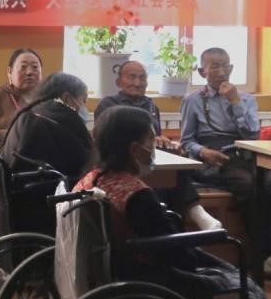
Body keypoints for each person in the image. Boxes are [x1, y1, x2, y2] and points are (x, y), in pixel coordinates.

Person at [74, 105, 271, 299]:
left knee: (226, 274)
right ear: (134, 149)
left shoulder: (90, 180)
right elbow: (179, 257)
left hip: (109, 279)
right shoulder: (136, 195)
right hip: (150, 288)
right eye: (151, 141)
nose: (153, 148)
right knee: (247, 294)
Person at [179, 47, 271, 282]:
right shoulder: (192, 100)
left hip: (247, 153)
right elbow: (187, 141)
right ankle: (259, 255)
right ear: (202, 72)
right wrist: (203, 151)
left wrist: (234, 102)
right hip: (216, 157)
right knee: (247, 185)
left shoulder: (245, 99)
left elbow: (252, 133)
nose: (222, 72)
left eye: (226, 66)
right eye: (215, 66)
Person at [95, 59, 222, 232]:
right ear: (119, 82)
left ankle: (187, 220)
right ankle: (185, 220)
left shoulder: (151, 106)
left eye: (142, 78)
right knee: (168, 185)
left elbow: (155, 139)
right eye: (131, 77)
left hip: (151, 160)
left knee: (178, 170)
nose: (137, 83)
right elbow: (110, 141)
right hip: (123, 163)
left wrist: (166, 143)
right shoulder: (108, 105)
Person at [0, 72, 93, 234]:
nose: (84, 107)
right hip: (48, 207)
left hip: (15, 203)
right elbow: (88, 164)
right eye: (83, 100)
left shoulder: (28, 113)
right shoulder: (65, 118)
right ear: (67, 98)